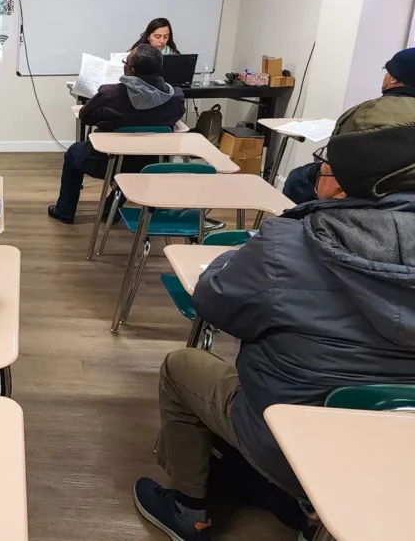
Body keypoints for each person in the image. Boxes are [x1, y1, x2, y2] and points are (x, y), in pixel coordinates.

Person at [133, 95, 415, 541]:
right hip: (405, 457)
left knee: (180, 367)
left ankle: (190, 508)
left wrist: (249, 258)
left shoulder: (288, 245)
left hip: (295, 440)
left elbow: (215, 302)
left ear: (341, 180)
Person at [49, 44, 186, 223]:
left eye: (126, 62)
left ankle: (65, 212)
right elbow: (172, 119)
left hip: (107, 161)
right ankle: (110, 208)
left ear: (131, 69)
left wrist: (106, 119)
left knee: (74, 152)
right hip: (151, 164)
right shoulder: (175, 97)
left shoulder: (111, 93)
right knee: (134, 168)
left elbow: (85, 116)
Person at [283, 46, 415, 204]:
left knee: (297, 178)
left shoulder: (366, 113)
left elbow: (338, 164)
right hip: (405, 195)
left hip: (368, 194)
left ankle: (296, 222)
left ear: (393, 79)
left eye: (386, 71)